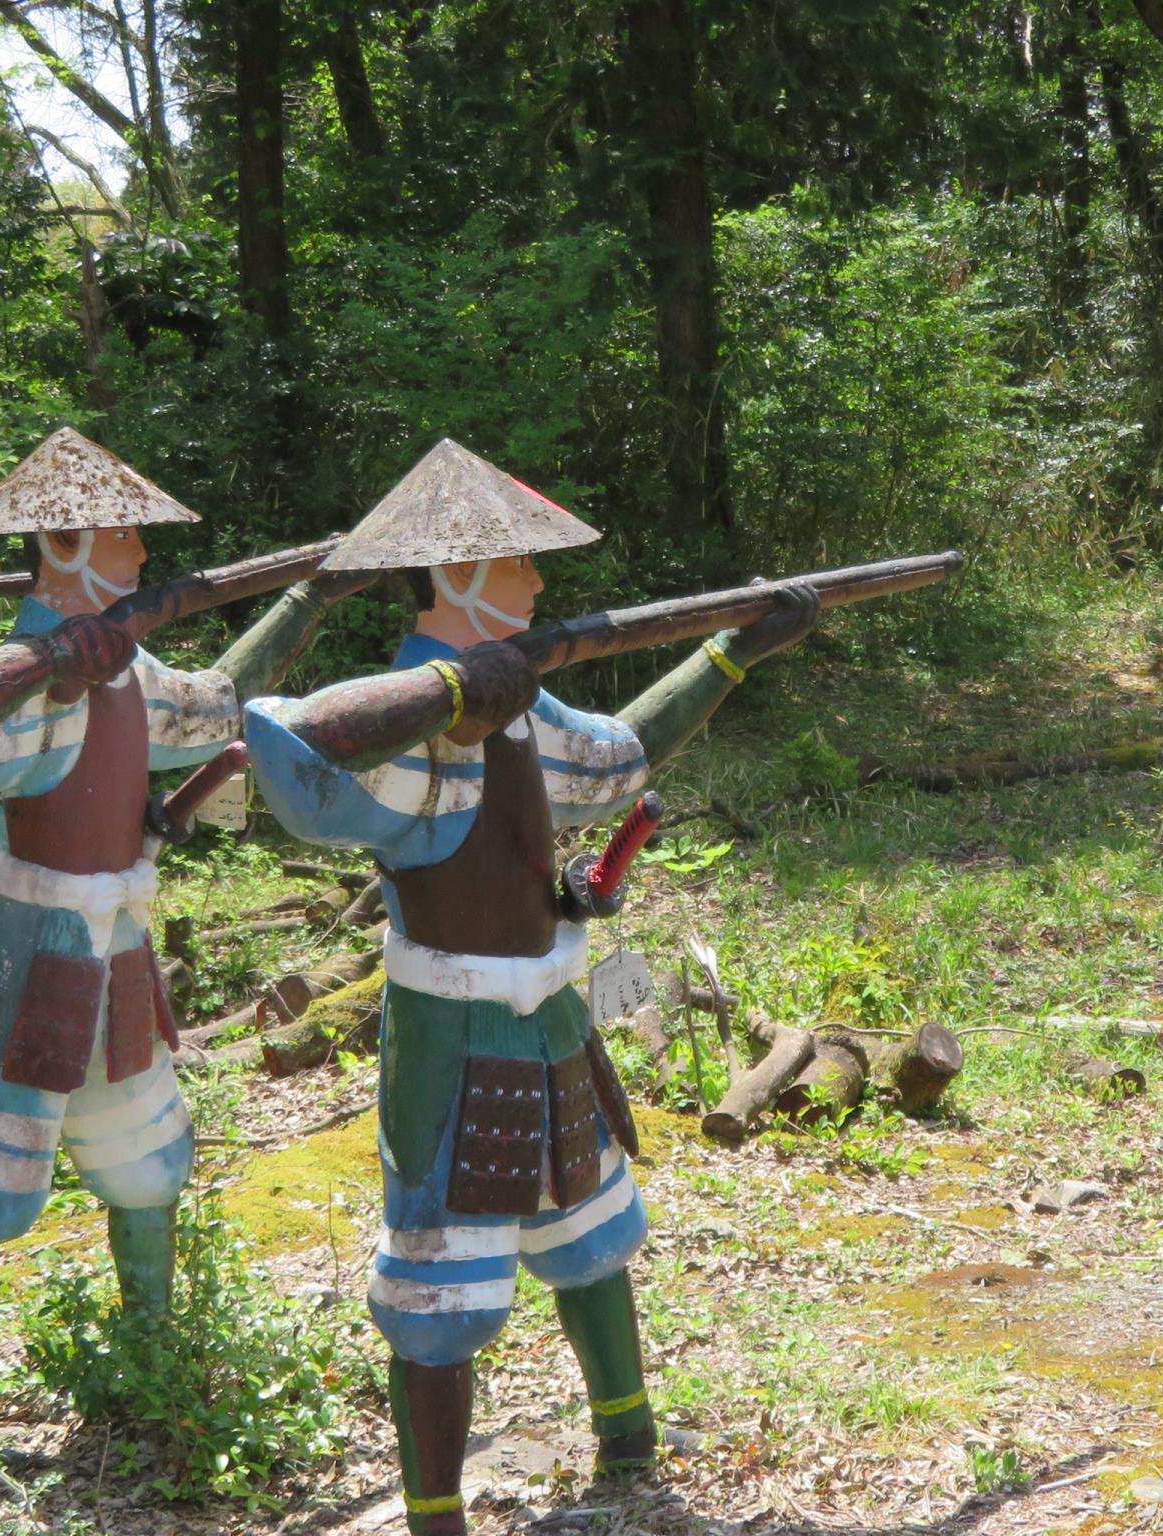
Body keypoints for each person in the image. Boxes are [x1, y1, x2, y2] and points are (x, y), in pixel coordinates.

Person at [240, 440, 820, 1534]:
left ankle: (628, 1439)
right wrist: (457, 687)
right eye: (517, 562)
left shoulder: (526, 708)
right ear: (458, 574)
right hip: (452, 1040)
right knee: (439, 1295)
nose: (539, 581)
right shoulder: (423, 718)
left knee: (592, 1234)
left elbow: (621, 752)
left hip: (552, 1013)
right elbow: (292, 747)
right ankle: (434, 1511)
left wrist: (734, 653)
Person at [0, 428, 363, 1427]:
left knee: (147, 1164)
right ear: (65, 546)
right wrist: (51, 661)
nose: (142, 553)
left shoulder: (130, 671)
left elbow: (216, 706)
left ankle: (151, 1362)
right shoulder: (37, 675)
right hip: (36, 959)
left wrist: (308, 599)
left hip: (122, 948)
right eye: (123, 534)